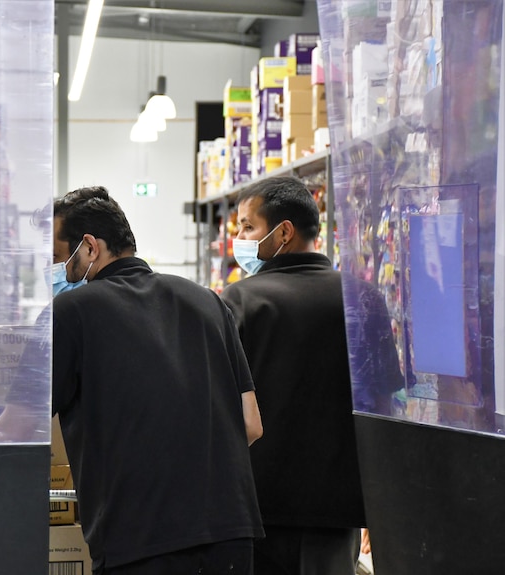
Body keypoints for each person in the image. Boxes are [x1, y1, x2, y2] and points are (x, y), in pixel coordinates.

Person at [50, 186, 264, 574]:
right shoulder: (208, 301)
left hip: (139, 539)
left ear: (89, 247)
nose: (55, 270)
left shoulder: (71, 311)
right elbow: (250, 424)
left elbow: (19, 426)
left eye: (57, 258)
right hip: (230, 530)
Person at [220, 176, 400, 575]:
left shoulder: (241, 300)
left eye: (248, 226)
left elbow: (220, 409)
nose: (241, 238)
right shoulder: (363, 298)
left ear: (284, 231)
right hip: (337, 512)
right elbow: (382, 411)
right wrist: (378, 504)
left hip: (259, 508)